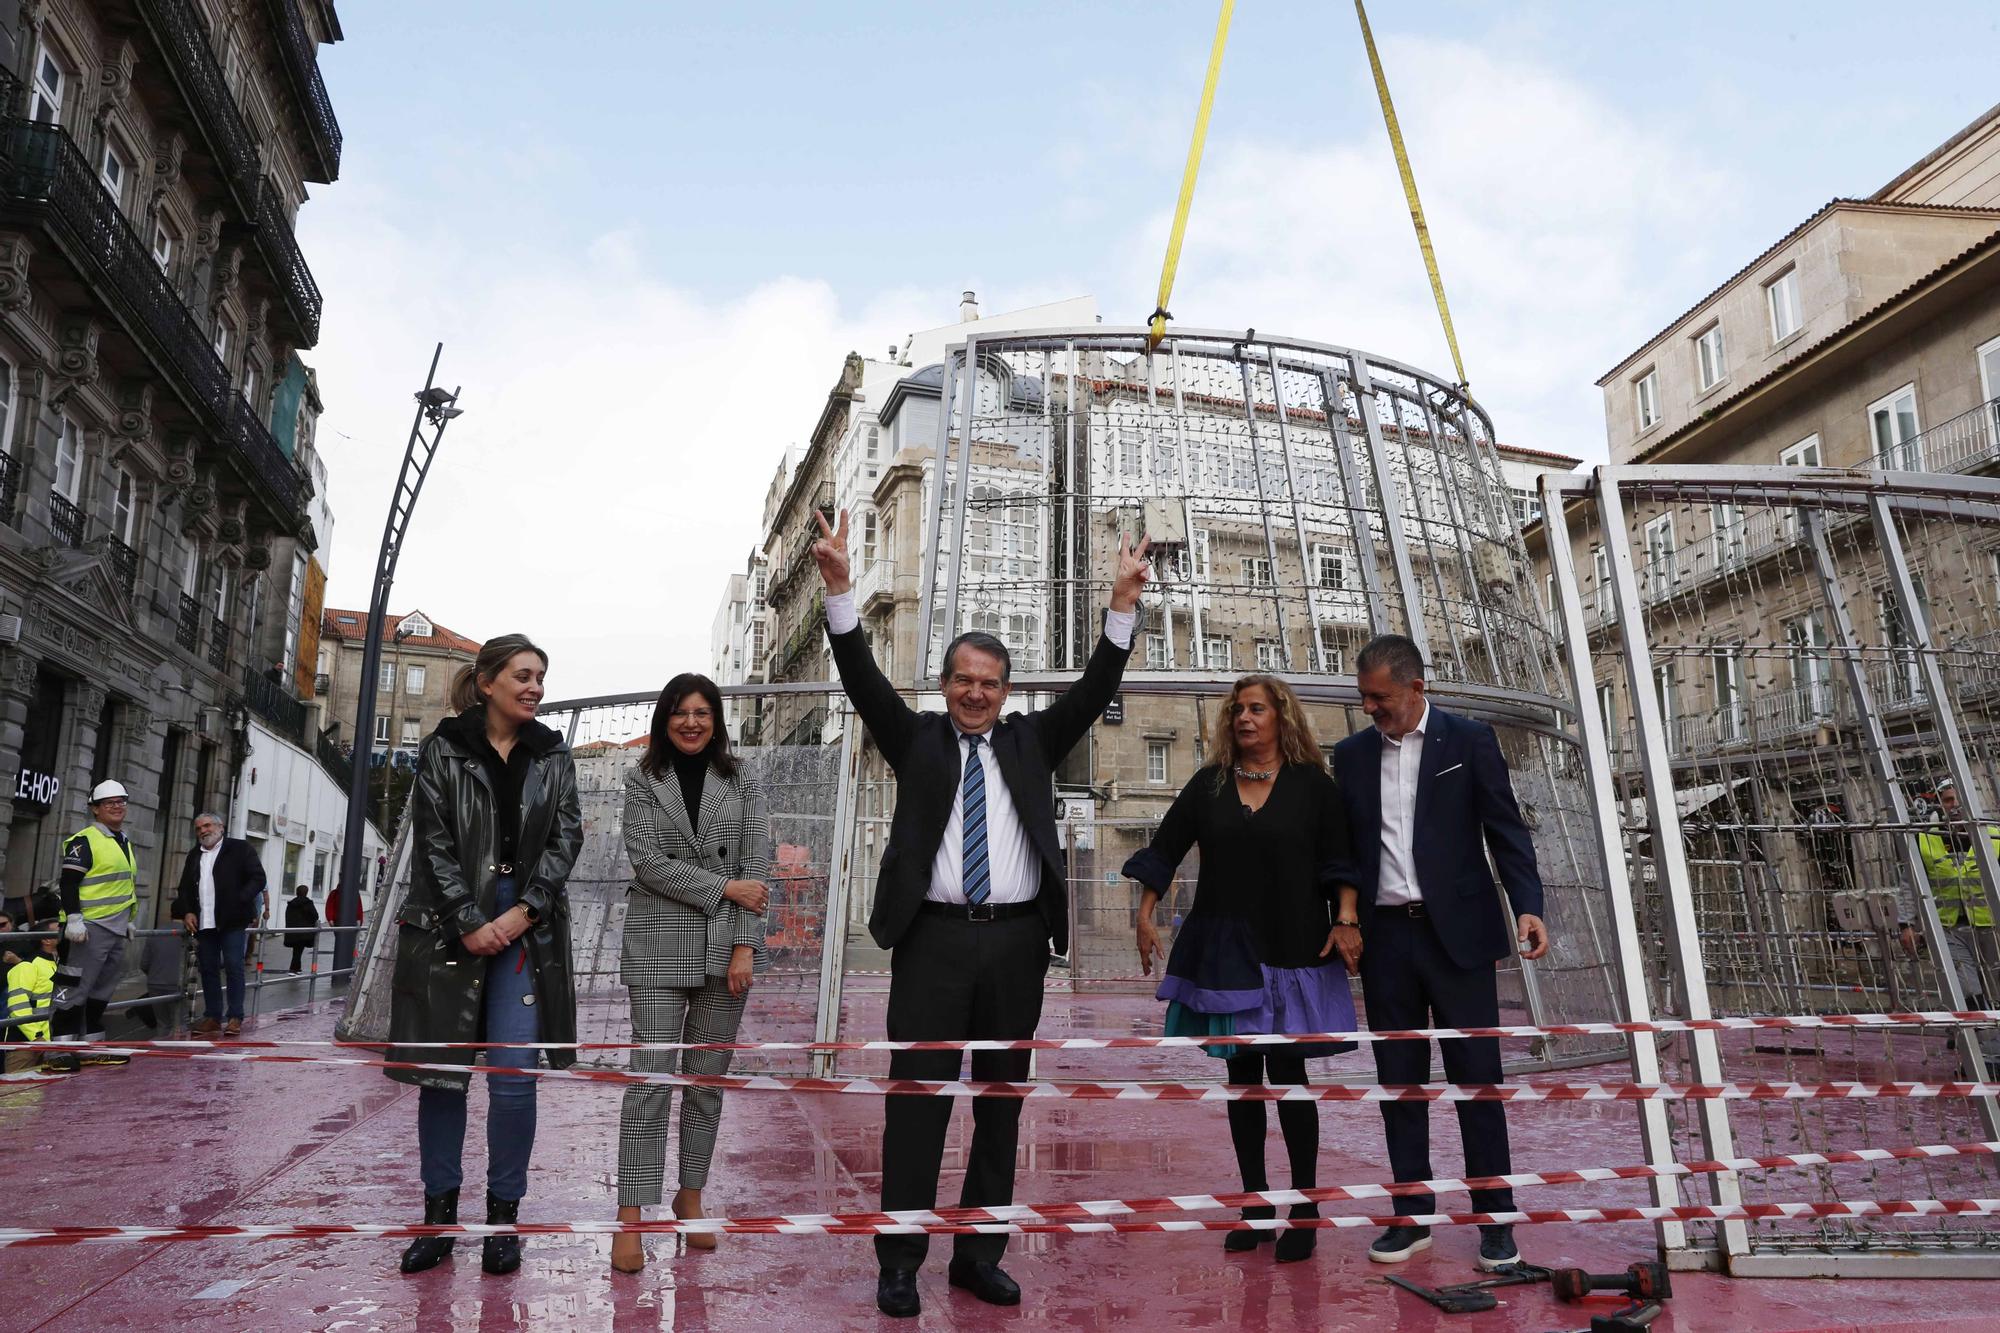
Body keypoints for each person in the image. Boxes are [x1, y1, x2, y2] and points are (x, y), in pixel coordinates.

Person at [811, 507, 1150, 1318]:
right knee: (916, 1103)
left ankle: (978, 1255)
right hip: (929, 943)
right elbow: (861, 678)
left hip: (1016, 945)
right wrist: (839, 589)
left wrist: (1122, 605)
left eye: (989, 683)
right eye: (963, 679)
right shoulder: (917, 739)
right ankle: (900, 1262)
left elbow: (1099, 684)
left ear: (1006, 691)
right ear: (945, 683)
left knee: (1001, 1104)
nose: (974, 692)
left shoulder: (1033, 740)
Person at [1329, 634, 1549, 1272]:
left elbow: (1506, 829)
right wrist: (1343, 919)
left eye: (1380, 697)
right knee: (1400, 1085)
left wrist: (1527, 903)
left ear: (1417, 688)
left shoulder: (1470, 741)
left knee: (1478, 1082)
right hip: (1386, 940)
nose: (1370, 707)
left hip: (1461, 938)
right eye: (1364, 697)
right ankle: (1411, 1217)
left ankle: (1494, 1222)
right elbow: (1342, 848)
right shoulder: (1351, 755)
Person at [1127, 674, 1361, 1264]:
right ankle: (1255, 1205)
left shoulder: (1314, 786)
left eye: (1257, 709)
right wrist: (1146, 914)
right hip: (1227, 952)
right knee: (1242, 1082)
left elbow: (1341, 859)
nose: (1244, 719)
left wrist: (1347, 919)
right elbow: (1167, 846)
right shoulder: (1208, 785)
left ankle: (1304, 1209)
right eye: (1237, 710)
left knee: (1291, 1079)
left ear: (1282, 717)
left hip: (1294, 948)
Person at [387, 633, 581, 1277]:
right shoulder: (443, 749)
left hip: (526, 927)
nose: (535, 688)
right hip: (449, 929)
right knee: (442, 1083)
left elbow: (565, 838)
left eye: (541, 678)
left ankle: (503, 1220)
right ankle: (438, 1219)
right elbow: (433, 841)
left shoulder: (554, 756)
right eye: (523, 676)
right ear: (489, 680)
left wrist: (523, 912)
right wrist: (468, 922)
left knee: (514, 1082)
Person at [609, 672, 771, 1273]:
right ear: (664, 718)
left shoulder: (742, 778)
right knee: (650, 1082)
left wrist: (746, 947)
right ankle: (632, 1213)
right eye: (681, 712)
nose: (692, 723)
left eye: (703, 712)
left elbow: (759, 867)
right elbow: (647, 863)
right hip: (656, 947)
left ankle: (691, 1194)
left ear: (717, 718)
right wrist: (724, 885)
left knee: (706, 1080)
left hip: (726, 947)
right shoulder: (642, 778)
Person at [1911, 780, 2000, 1059]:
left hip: (1990, 928)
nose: (1955, 805)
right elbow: (1910, 883)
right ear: (1940, 803)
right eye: (1948, 800)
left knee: (1995, 990)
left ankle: (1987, 1042)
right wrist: (1908, 924)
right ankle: (1983, 1051)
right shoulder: (1926, 839)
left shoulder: (1993, 834)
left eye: (1959, 799)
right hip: (1950, 927)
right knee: (1968, 988)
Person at [55, 780, 141, 1066]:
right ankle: (59, 1051)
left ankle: (93, 1047)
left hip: (115, 930)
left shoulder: (122, 841)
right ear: (95, 809)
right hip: (88, 929)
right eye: (109, 803)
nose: (117, 807)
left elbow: (122, 887)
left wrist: (127, 920)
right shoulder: (85, 840)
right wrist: (74, 919)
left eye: (121, 801)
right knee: (73, 989)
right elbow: (68, 883)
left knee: (101, 992)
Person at [170, 812, 267, 1037]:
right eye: (198, 828)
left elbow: (258, 878)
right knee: (208, 968)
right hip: (204, 922)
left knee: (234, 966)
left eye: (207, 826)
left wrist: (241, 899)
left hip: (232, 921)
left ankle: (235, 1017)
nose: (203, 831)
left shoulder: (240, 849)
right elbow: (184, 888)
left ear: (220, 827)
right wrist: (187, 912)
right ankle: (213, 1017)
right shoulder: (194, 855)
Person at [3, 897, 60, 1074]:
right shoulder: (27, 966)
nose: (64, 932)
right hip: (25, 1045)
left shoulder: (59, 964)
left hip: (51, 1043)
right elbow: (18, 1007)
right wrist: (38, 1037)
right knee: (17, 1096)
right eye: (59, 929)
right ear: (46, 940)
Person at [284, 886, 320, 973]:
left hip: (293, 932)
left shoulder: (291, 904)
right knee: (298, 951)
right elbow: (315, 916)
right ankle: (293, 969)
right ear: (306, 893)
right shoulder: (308, 903)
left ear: (297, 892)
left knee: (297, 951)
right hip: (304, 933)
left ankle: (296, 968)